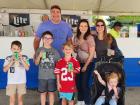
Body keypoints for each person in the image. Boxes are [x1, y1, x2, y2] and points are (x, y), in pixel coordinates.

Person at [73, 19, 95, 105]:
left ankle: (87, 102)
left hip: (88, 63)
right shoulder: (76, 37)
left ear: (88, 27)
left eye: (85, 26)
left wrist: (86, 66)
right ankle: (80, 101)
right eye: (81, 26)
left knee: (84, 84)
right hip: (78, 63)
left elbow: (92, 53)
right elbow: (75, 51)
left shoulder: (89, 37)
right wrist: (75, 48)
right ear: (78, 27)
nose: (83, 27)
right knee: (78, 83)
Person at [35, 31, 60, 105]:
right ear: (42, 39)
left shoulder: (55, 51)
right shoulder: (39, 50)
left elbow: (58, 64)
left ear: (52, 40)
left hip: (52, 76)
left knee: (51, 93)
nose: (47, 40)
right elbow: (36, 63)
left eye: (49, 38)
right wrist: (39, 56)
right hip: (42, 76)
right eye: (45, 38)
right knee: (43, 93)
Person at [3, 40, 30, 105]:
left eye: (18, 49)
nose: (16, 50)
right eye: (14, 49)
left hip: (21, 81)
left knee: (20, 99)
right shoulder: (8, 58)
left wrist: (22, 60)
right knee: (12, 100)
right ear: (11, 49)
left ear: (20, 50)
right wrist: (11, 61)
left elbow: (27, 68)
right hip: (11, 82)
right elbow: (4, 70)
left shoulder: (25, 57)